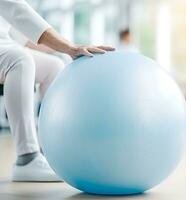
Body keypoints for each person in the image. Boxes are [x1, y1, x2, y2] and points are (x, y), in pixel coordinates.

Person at [0, 0, 114, 182]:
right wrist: (69, 47)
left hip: (5, 45)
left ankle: (51, 153)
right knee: (19, 60)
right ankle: (27, 158)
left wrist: (74, 48)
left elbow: (23, 34)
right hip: (7, 50)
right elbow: (18, 11)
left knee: (54, 65)